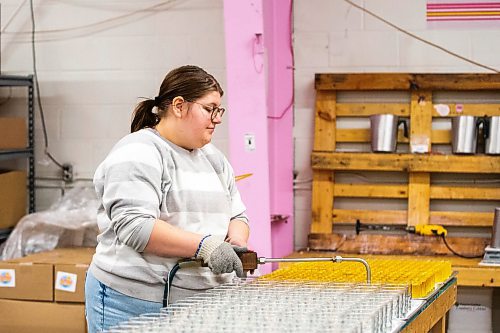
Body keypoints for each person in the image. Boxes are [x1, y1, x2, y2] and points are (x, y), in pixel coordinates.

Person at [84, 65, 250, 332]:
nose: (217, 119)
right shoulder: (139, 152)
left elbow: (237, 215)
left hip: (198, 303)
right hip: (133, 302)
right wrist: (206, 246)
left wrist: (236, 242)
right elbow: (136, 227)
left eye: (219, 110)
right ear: (179, 106)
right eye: (209, 109)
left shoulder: (213, 159)